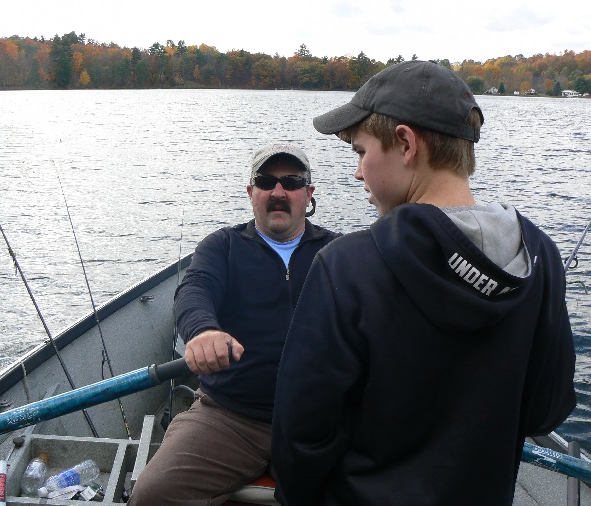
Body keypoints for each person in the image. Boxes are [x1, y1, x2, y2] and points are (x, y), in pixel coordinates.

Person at [271, 61, 577, 505]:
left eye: (360, 152)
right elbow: (546, 409)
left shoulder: (346, 266)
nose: (358, 173)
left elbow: (300, 439)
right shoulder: (542, 255)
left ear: (406, 144)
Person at [129, 143, 340, 505]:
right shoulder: (222, 247)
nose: (278, 192)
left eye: (291, 182)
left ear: (308, 194)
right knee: (152, 496)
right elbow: (194, 290)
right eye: (265, 181)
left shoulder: (338, 253)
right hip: (230, 415)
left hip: (320, 420)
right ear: (250, 192)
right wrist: (203, 332)